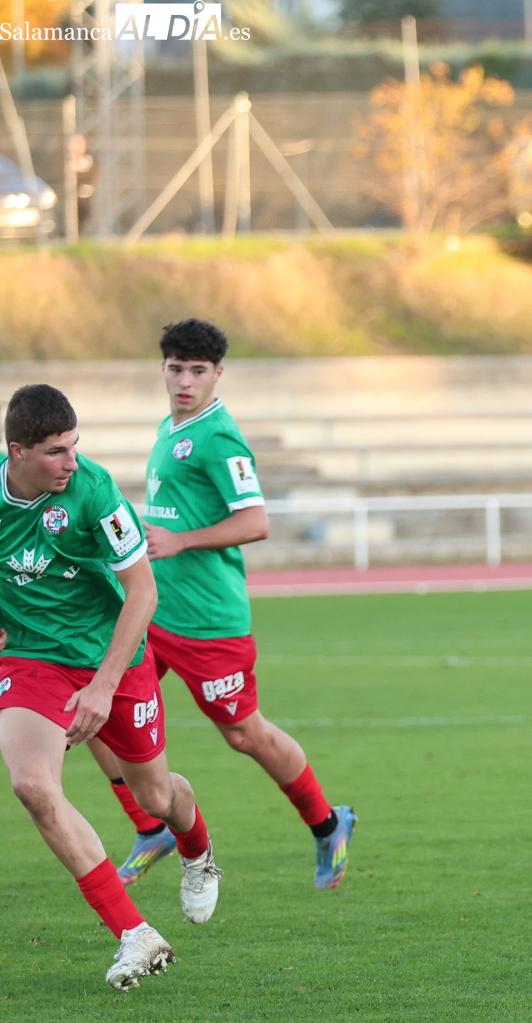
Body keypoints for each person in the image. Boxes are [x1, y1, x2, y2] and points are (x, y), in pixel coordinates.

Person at [96, 319, 356, 890]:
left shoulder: (219, 437)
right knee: (97, 703)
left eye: (197, 371)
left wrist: (181, 540)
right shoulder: (171, 425)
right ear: (162, 369)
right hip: (154, 610)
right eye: (175, 368)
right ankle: (150, 827)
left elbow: (256, 521)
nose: (184, 380)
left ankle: (329, 823)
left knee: (244, 735)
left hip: (208, 621)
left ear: (218, 373)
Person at [0, 384, 223, 990]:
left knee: (155, 798)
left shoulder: (93, 489)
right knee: (33, 786)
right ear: (16, 451)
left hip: (113, 658)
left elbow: (144, 592)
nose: (71, 462)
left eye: (75, 446)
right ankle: (135, 933)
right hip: (33, 658)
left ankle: (198, 853)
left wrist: (103, 685)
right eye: (55, 451)